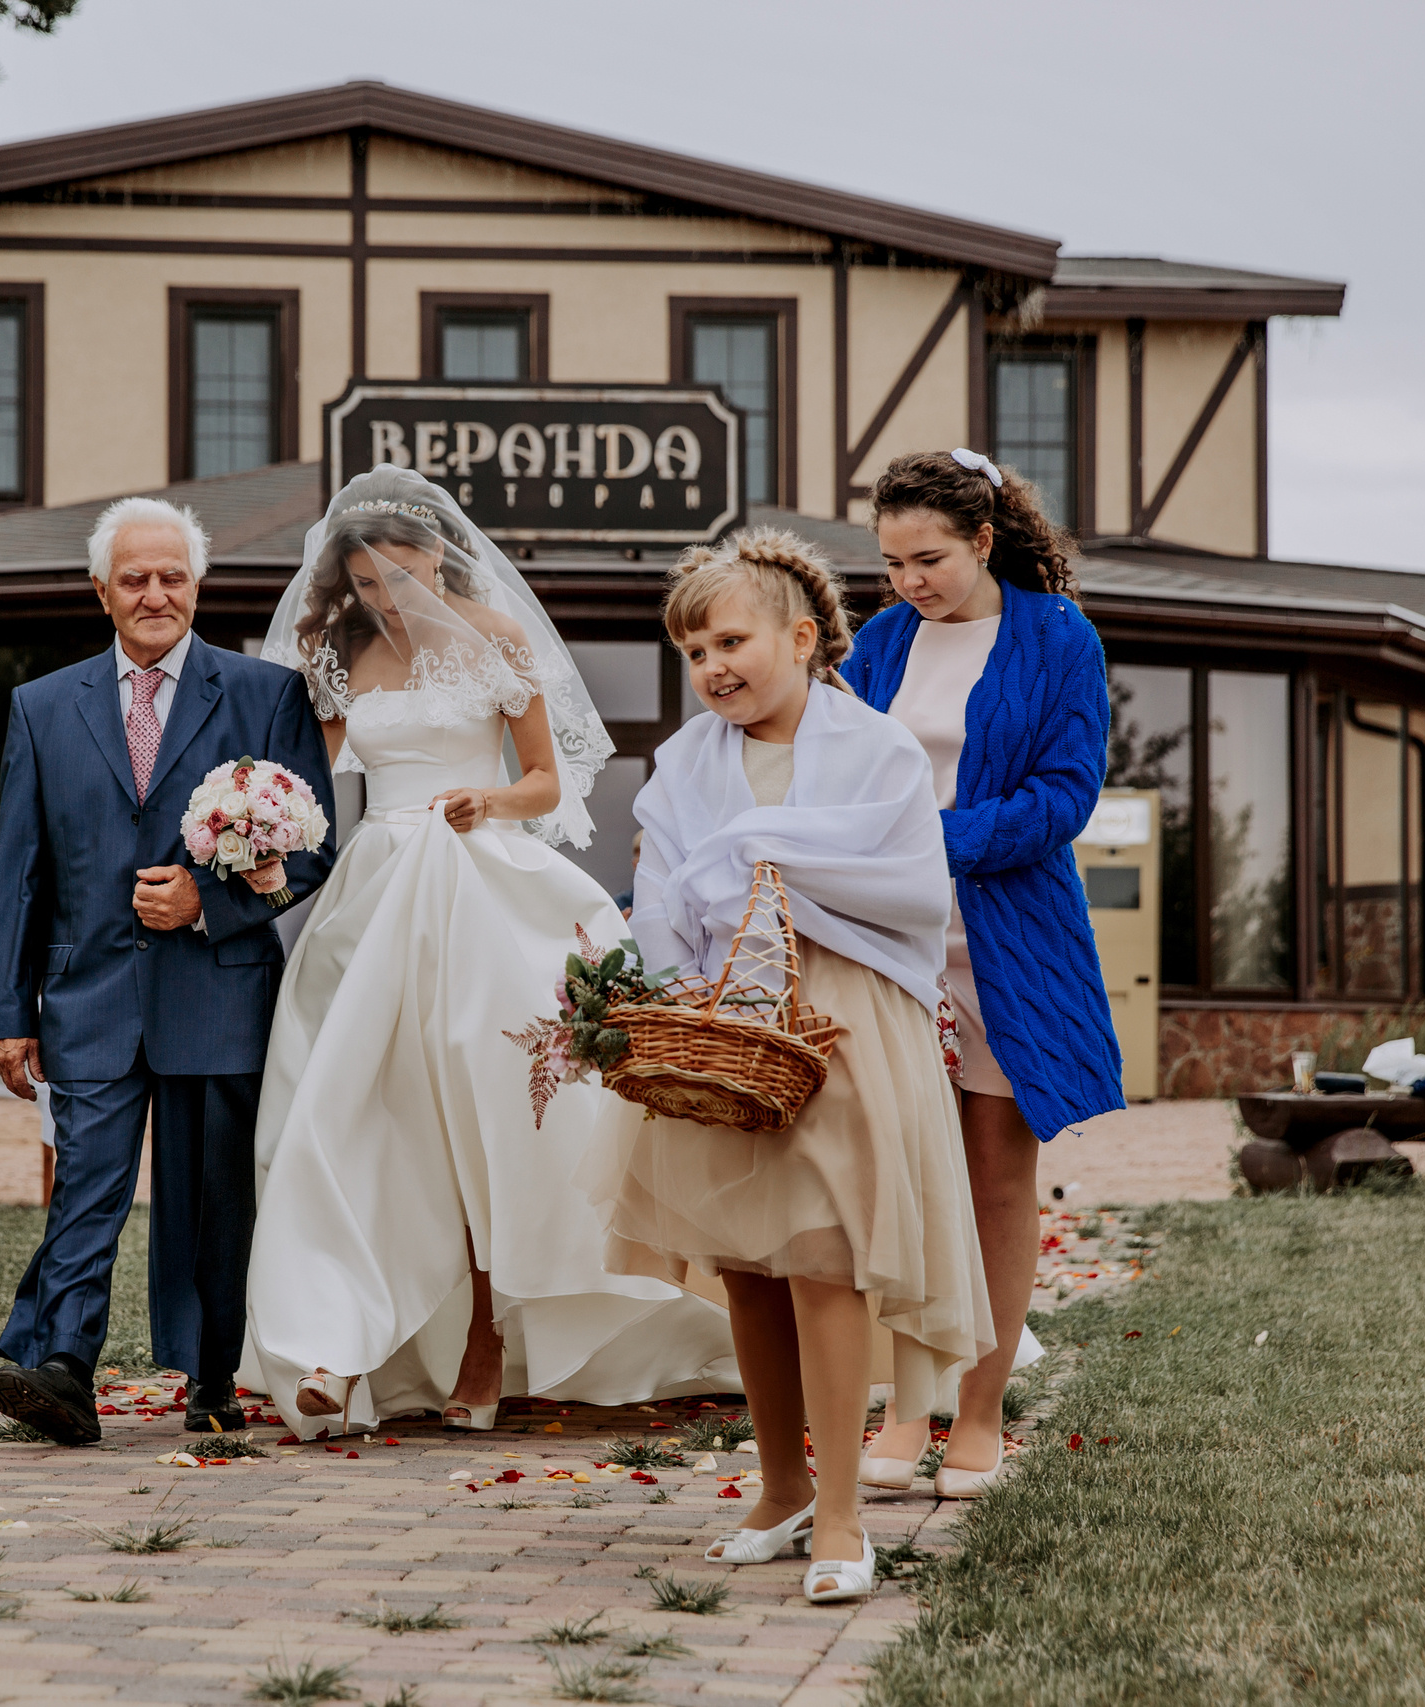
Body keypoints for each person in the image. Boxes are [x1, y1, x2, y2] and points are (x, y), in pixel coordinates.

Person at [242, 467, 738, 1441]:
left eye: (404, 573)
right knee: (350, 1115)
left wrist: (488, 800)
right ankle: (335, 1344)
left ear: (437, 554)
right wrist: (263, 833)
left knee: (487, 1123)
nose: (391, 597)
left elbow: (548, 783)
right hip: (374, 893)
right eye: (370, 582)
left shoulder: (499, 639)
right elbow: (302, 783)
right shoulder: (340, 653)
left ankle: (484, 1339)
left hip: (476, 882)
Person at [583, 528, 990, 1605]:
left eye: (731, 641)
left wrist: (764, 849)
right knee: (746, 1262)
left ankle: (846, 1514)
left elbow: (909, 886)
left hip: (839, 1013)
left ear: (801, 637)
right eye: (694, 653)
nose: (713, 667)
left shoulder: (877, 750)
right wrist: (677, 991)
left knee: (822, 1256)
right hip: (729, 1020)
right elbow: (662, 885)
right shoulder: (684, 763)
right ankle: (779, 1487)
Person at [0, 496, 338, 1447]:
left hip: (218, 987)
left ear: (197, 586)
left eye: (171, 576)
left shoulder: (266, 694)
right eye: (134, 578)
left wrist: (209, 902)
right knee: (87, 1182)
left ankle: (213, 1375)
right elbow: (19, 874)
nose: (154, 593)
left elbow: (313, 851)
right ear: (103, 592)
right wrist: (9, 1012)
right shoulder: (42, 706)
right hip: (89, 995)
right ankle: (64, 1367)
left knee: (216, 1195)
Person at [845, 449, 1125, 1497]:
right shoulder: (878, 642)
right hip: (887, 939)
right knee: (907, 1184)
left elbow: (1064, 797)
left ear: (982, 539)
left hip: (1010, 941)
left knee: (995, 1184)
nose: (910, 582)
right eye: (891, 563)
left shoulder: (1057, 636)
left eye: (928, 559)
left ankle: (980, 1412)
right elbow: (836, 770)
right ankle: (905, 1410)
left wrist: (931, 837)